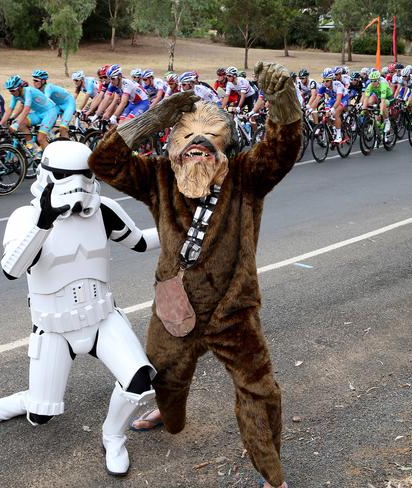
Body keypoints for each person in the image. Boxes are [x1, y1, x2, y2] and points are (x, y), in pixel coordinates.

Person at [89, 61, 300, 488]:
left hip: (233, 315)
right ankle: (168, 416)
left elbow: (281, 150)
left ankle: (272, 475)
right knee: (165, 380)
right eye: (186, 138)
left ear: (227, 147)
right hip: (172, 312)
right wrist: (153, 118)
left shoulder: (246, 176)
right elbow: (104, 161)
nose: (197, 145)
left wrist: (283, 103)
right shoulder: (158, 178)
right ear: (171, 146)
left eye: (209, 139)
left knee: (260, 391)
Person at [0, 140, 159, 477]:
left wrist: (183, 230)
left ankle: (113, 436)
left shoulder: (104, 210)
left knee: (139, 382)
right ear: (47, 175)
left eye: (84, 175)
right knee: (42, 416)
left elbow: (139, 242)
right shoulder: (26, 217)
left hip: (102, 319)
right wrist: (43, 222)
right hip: (54, 328)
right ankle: (29, 401)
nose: (76, 185)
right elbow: (12, 269)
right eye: (65, 176)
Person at [0, 75, 58, 150]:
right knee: (20, 124)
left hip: (50, 112)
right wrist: (0, 124)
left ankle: (51, 158)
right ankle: (34, 149)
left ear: (20, 87)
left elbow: (26, 109)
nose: (11, 93)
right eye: (9, 90)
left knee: (40, 138)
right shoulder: (15, 95)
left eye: (13, 90)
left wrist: (16, 125)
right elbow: (10, 109)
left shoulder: (28, 91)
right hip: (38, 113)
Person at [32, 69, 76, 139]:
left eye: (36, 81)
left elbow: (45, 101)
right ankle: (53, 139)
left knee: (62, 128)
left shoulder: (48, 87)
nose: (34, 83)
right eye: (33, 80)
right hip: (58, 105)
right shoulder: (38, 90)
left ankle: (69, 148)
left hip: (68, 104)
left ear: (43, 81)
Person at [316, 67, 348, 143]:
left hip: (344, 98)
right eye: (324, 80)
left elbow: (339, 100)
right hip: (333, 99)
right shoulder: (323, 86)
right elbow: (317, 99)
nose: (325, 82)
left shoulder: (338, 84)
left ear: (331, 80)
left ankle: (339, 135)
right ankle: (335, 127)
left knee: (336, 113)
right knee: (326, 116)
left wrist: (333, 109)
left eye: (327, 81)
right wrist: (310, 108)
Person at [362, 70, 395, 139]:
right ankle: (380, 132)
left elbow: (383, 101)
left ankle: (387, 121)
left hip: (389, 98)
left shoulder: (383, 85)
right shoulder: (370, 86)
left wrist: (381, 112)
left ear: (378, 80)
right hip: (380, 99)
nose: (372, 83)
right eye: (371, 81)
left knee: (381, 107)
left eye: (374, 81)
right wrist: (363, 109)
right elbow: (366, 98)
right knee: (377, 118)